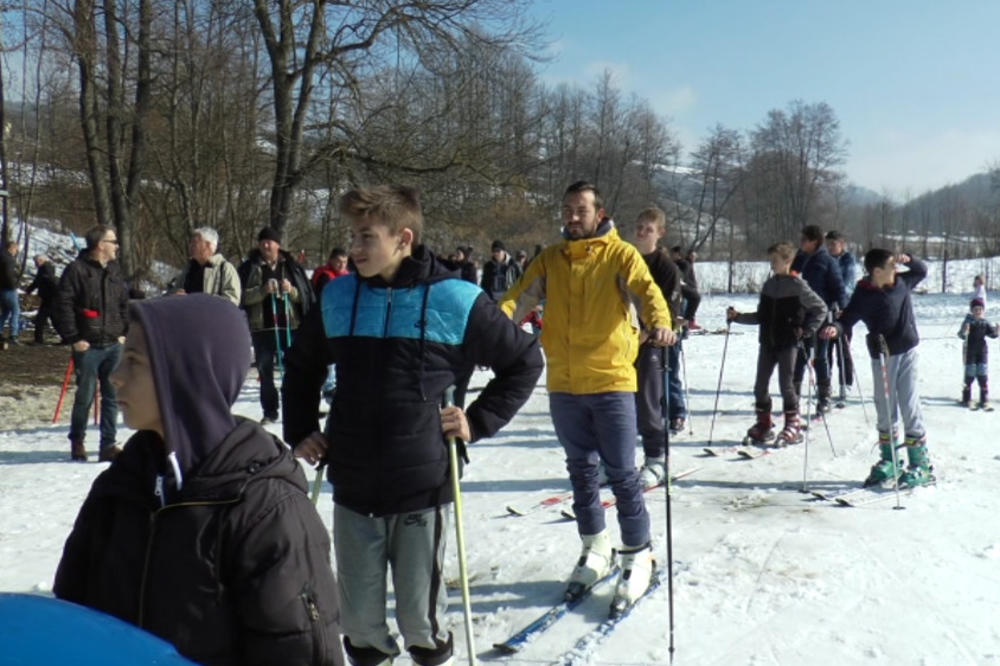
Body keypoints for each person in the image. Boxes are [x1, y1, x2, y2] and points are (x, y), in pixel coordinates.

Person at [282, 185, 542, 666]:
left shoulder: (456, 298)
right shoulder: (338, 296)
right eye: (352, 236)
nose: (354, 248)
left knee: (421, 622)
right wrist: (300, 429)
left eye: (366, 237)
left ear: (403, 238)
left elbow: (524, 361)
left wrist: (476, 421)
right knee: (360, 625)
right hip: (353, 480)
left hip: (422, 481)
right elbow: (300, 366)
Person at [53, 294, 344, 666]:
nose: (116, 376)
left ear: (187, 376)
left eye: (135, 361)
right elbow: (73, 621)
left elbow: (301, 652)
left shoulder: (265, 509)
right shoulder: (120, 486)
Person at [499, 181, 675, 613]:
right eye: (567, 209)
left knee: (623, 475)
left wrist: (661, 322)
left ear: (600, 213)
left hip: (611, 380)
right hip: (564, 383)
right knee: (580, 472)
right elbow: (517, 299)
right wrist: (492, 331)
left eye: (581, 209)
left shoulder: (621, 255)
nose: (573, 217)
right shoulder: (550, 259)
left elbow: (648, 292)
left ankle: (638, 554)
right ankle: (595, 548)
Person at [819, 250, 932, 487]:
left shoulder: (902, 282)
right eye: (892, 266)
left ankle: (920, 464)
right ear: (877, 271)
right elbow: (847, 318)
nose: (896, 269)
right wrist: (835, 328)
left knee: (909, 404)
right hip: (882, 356)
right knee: (884, 407)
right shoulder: (864, 294)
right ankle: (890, 460)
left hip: (907, 351)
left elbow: (921, 270)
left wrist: (909, 259)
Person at [727, 242, 827, 445]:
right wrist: (738, 317)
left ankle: (793, 425)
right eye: (771, 260)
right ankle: (764, 424)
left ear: (787, 261)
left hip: (788, 342)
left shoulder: (798, 285)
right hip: (767, 342)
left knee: (786, 385)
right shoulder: (769, 285)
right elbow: (761, 316)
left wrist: (807, 330)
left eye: (775, 260)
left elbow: (820, 308)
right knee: (760, 385)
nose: (772, 264)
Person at [53, 225, 129, 462]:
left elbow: (123, 302)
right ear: (100, 245)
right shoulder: (76, 270)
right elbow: (62, 305)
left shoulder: (114, 270)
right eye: (112, 241)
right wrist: (73, 338)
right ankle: (77, 440)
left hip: (113, 344)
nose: (117, 246)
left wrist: (124, 330)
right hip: (87, 345)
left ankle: (108, 444)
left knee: (112, 396)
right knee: (84, 396)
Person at [631, 207, 685, 488]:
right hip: (621, 344)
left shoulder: (666, 268)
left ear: (660, 233)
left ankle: (656, 460)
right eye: (639, 227)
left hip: (651, 344)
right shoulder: (626, 259)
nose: (642, 233)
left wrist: (647, 333)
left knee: (649, 404)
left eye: (648, 229)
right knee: (616, 405)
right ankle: (614, 460)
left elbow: (669, 312)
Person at [237, 227, 314, 424]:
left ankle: (296, 409)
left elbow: (305, 295)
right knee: (265, 373)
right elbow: (240, 297)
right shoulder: (249, 268)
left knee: (295, 371)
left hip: (290, 326)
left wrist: (292, 291)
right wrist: (262, 291)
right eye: (262, 241)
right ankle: (270, 412)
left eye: (269, 241)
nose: (265, 245)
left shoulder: (291, 266)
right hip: (262, 328)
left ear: (278, 244)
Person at [791, 224, 846, 413]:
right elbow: (791, 276)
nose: (801, 243)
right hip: (801, 313)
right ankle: (794, 396)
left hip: (822, 313)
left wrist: (842, 309)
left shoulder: (827, 260)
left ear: (814, 241)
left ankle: (824, 398)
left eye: (804, 240)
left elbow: (839, 286)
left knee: (820, 356)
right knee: (799, 355)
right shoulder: (801, 257)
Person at [824, 230, 858, 398]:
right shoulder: (824, 259)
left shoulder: (848, 260)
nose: (830, 247)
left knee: (842, 348)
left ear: (842, 244)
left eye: (834, 244)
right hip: (826, 308)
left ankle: (846, 383)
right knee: (825, 349)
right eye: (828, 244)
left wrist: (836, 295)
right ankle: (825, 383)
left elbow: (848, 285)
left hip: (843, 309)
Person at [171, 227, 241, 306]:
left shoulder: (225, 268)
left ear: (208, 245)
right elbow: (171, 293)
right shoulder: (188, 269)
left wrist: (206, 302)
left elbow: (232, 300)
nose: (191, 246)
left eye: (195, 242)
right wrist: (175, 295)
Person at [957, 297, 998, 409]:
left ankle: (984, 399)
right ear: (972, 310)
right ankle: (966, 397)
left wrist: (996, 331)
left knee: (982, 373)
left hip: (982, 351)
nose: (978, 312)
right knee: (970, 373)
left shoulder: (984, 322)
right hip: (970, 351)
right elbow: (961, 335)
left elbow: (992, 334)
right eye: (976, 309)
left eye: (980, 309)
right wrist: (965, 331)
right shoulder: (968, 322)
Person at [24, 254, 60, 344]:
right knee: (54, 319)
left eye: (36, 262)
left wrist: (29, 290)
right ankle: (66, 337)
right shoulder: (45, 269)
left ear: (40, 260)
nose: (35, 264)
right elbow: (38, 281)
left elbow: (44, 281)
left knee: (41, 318)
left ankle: (38, 339)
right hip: (50, 297)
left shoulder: (46, 269)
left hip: (50, 297)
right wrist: (29, 290)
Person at [671, 245, 702, 331]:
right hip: (683, 288)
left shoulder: (684, 264)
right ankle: (686, 326)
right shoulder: (678, 263)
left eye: (673, 254)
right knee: (682, 309)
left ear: (678, 254)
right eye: (692, 256)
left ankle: (685, 328)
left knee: (684, 310)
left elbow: (683, 276)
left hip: (686, 288)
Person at [0, 240, 20, 344]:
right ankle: (13, 334)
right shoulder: (9, 260)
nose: (16, 252)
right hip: (9, 289)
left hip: (1, 289)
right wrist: (13, 286)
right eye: (16, 249)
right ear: (11, 248)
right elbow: (9, 275)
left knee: (5, 312)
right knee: (15, 311)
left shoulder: (1, 257)